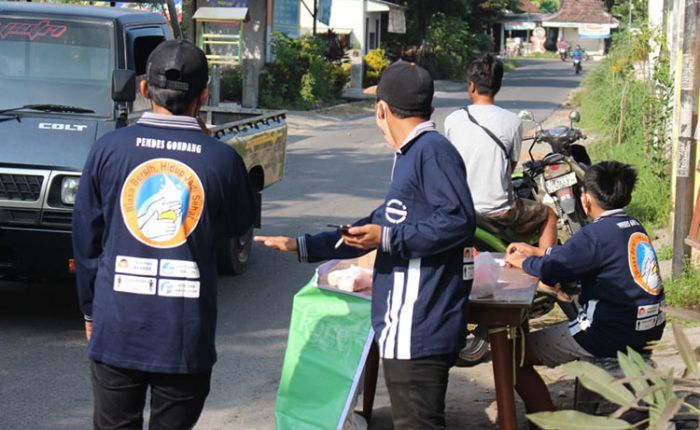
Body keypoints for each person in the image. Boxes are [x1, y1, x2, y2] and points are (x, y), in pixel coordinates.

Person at [255, 62, 476, 430]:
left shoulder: (431, 151)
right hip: (405, 325)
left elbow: (458, 221)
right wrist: (302, 245)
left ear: (382, 109)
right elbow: (371, 227)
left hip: (418, 324)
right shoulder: (411, 153)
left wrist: (387, 238)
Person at [72, 39, 256, 429]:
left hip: (117, 325)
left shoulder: (107, 150)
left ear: (143, 89)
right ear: (204, 95)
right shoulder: (222, 159)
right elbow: (237, 226)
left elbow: (86, 240)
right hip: (184, 334)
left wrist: (91, 310)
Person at [505, 161, 665, 413]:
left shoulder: (594, 234)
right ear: (628, 196)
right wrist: (540, 251)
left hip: (607, 334)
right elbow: (577, 257)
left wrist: (524, 262)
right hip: (648, 328)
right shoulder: (634, 227)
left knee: (511, 356)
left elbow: (552, 271)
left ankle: (547, 423)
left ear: (586, 199)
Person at [444, 54, 557, 250]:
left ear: (471, 86)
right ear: (498, 85)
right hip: (501, 212)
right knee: (548, 214)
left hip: (461, 208)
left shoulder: (452, 120)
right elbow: (510, 168)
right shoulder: (512, 121)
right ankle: (545, 269)